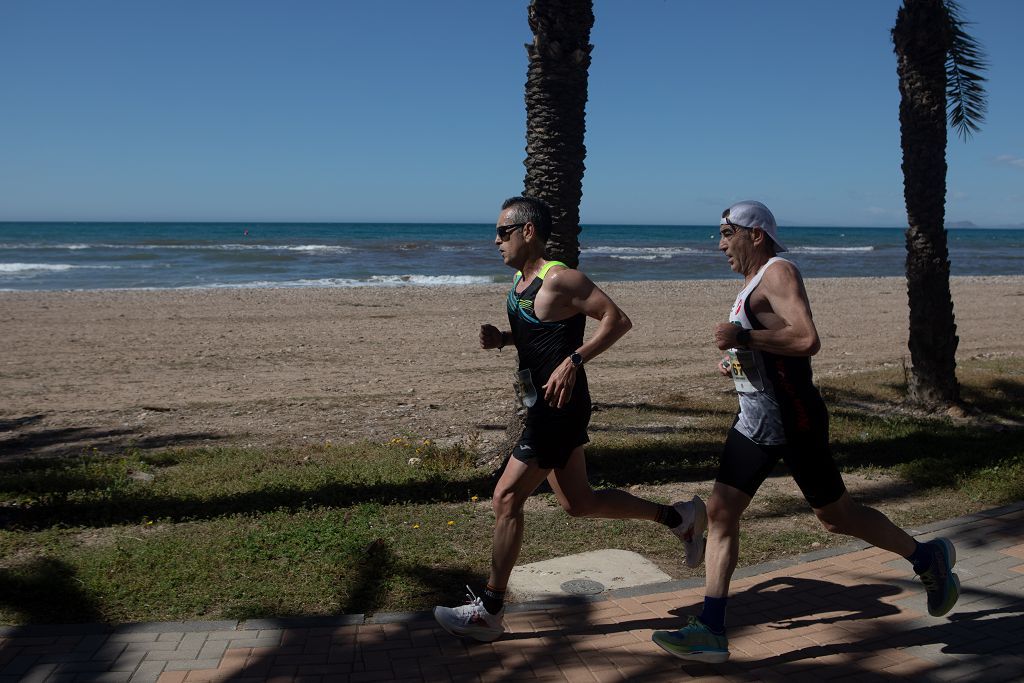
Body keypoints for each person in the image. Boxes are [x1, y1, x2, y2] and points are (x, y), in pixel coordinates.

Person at [651, 200, 961, 663]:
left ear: (755, 234)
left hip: (793, 418)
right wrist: (741, 361)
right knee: (720, 513)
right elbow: (777, 347)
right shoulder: (753, 283)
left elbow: (806, 339)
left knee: (838, 517)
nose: (720, 244)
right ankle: (710, 628)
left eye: (726, 232)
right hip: (756, 419)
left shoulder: (779, 272)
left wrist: (745, 339)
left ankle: (926, 558)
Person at [433, 196, 707, 642]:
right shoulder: (518, 286)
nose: (495, 240)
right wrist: (502, 339)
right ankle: (679, 518)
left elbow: (617, 320)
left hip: (558, 409)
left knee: (505, 498)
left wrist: (574, 361)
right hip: (541, 405)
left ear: (528, 232)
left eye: (503, 231)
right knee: (578, 502)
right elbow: (537, 338)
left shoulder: (561, 278)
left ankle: (490, 609)